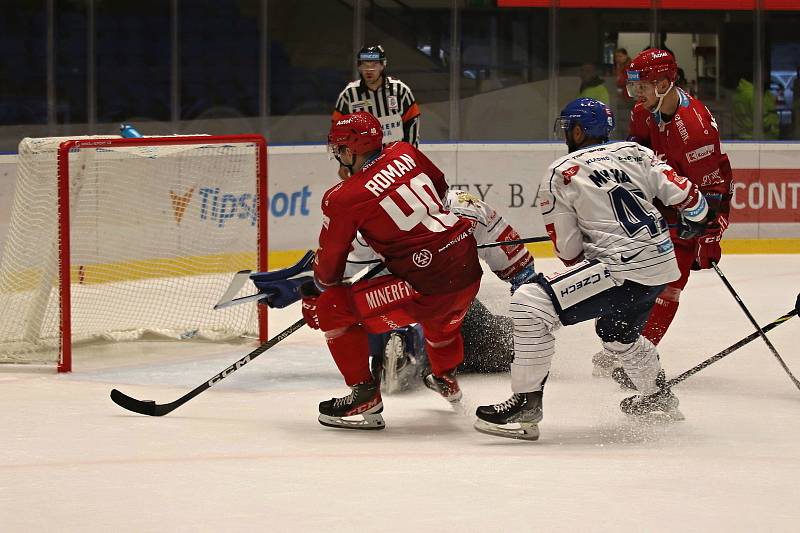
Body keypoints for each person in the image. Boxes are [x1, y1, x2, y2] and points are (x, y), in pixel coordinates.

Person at [473, 98, 711, 441]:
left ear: (579, 130)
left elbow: (568, 252)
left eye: (569, 128)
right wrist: (694, 221)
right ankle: (657, 397)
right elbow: (691, 198)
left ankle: (526, 404)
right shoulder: (636, 152)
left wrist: (593, 239)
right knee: (616, 334)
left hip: (621, 269)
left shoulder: (562, 172)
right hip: (660, 266)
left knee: (530, 302)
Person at [300, 112, 482, 431]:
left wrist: (314, 294)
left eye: (341, 148)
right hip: (467, 270)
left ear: (354, 149)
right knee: (441, 330)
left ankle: (363, 396)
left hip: (427, 284)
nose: (338, 156)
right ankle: (445, 379)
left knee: (330, 309)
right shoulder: (405, 151)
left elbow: (329, 270)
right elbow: (440, 188)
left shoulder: (342, 198)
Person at [592, 48, 734, 386]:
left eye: (642, 87)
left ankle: (642, 353)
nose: (636, 95)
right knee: (636, 269)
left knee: (670, 284)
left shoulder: (695, 129)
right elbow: (634, 153)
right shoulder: (644, 111)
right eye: (634, 87)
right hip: (663, 192)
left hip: (700, 200)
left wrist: (706, 233)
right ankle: (623, 344)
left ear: (665, 83)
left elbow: (711, 191)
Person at [349, 190, 535, 393]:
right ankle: (414, 357)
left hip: (393, 303)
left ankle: (402, 353)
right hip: (451, 302)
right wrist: (532, 299)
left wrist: (316, 291)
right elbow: (515, 262)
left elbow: (336, 274)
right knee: (495, 342)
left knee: (378, 313)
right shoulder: (461, 205)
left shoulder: (372, 214)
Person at [332, 45, 420, 180]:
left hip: (397, 163)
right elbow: (339, 130)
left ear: (383, 65)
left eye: (374, 64)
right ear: (359, 66)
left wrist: (411, 156)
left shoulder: (400, 90)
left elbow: (412, 123)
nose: (369, 69)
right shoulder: (349, 95)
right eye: (364, 64)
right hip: (362, 164)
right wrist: (343, 163)